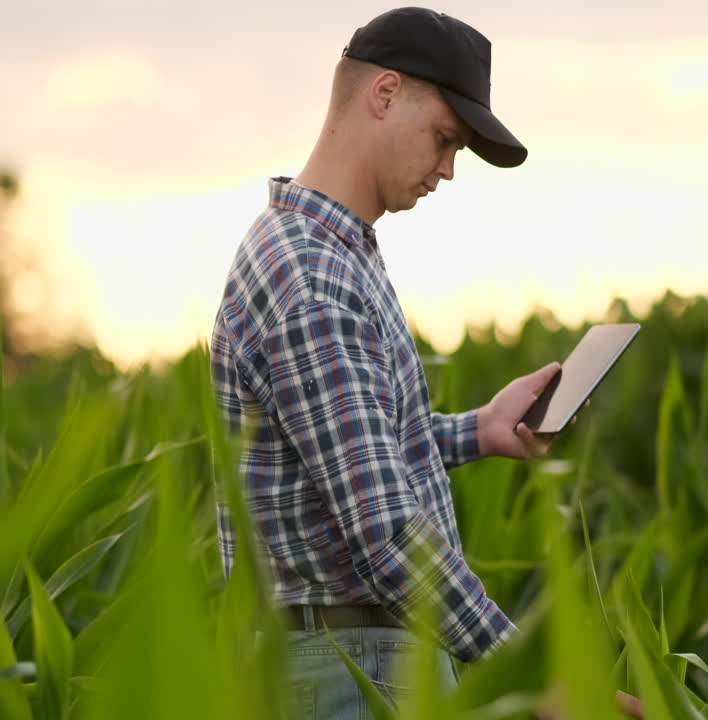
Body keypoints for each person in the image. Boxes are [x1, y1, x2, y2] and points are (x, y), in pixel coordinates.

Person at [210, 7, 587, 719]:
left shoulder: (329, 252)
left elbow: (342, 456)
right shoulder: (312, 277)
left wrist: (478, 430)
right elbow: (385, 533)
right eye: (446, 139)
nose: (448, 170)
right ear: (384, 94)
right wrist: (533, 677)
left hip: (350, 660)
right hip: (349, 671)